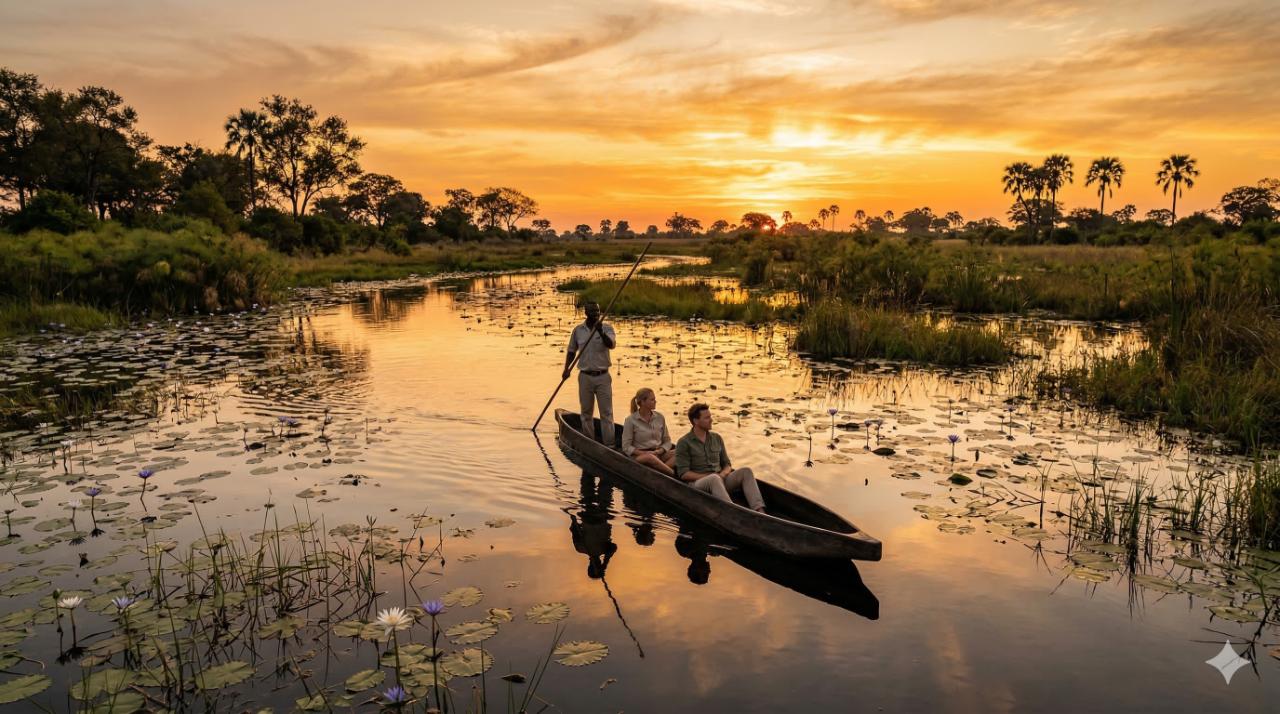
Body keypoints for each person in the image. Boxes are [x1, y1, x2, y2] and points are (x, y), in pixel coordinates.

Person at [674, 403, 766, 513]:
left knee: (746, 471)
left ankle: (760, 512)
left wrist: (723, 474)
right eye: (707, 418)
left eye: (710, 416)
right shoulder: (684, 442)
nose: (711, 420)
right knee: (713, 478)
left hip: (720, 479)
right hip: (698, 484)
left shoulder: (716, 438)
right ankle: (733, 512)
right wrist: (710, 476)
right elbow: (684, 474)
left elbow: (727, 464)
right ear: (696, 421)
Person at [562, 301, 616, 445]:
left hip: (603, 377)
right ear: (586, 313)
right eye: (593, 312)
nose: (596, 315)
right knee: (586, 412)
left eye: (598, 312)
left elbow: (611, 345)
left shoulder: (607, 328)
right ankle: (589, 442)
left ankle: (609, 444)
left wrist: (600, 332)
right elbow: (571, 351)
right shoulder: (578, 330)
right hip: (585, 377)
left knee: (607, 413)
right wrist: (566, 369)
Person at [621, 388, 676, 476]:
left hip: (658, 453)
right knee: (650, 457)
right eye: (652, 399)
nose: (655, 401)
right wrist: (644, 453)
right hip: (640, 456)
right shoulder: (630, 420)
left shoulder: (660, 417)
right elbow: (626, 446)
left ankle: (661, 471)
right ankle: (673, 475)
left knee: (681, 452)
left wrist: (659, 451)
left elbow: (667, 441)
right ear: (643, 402)